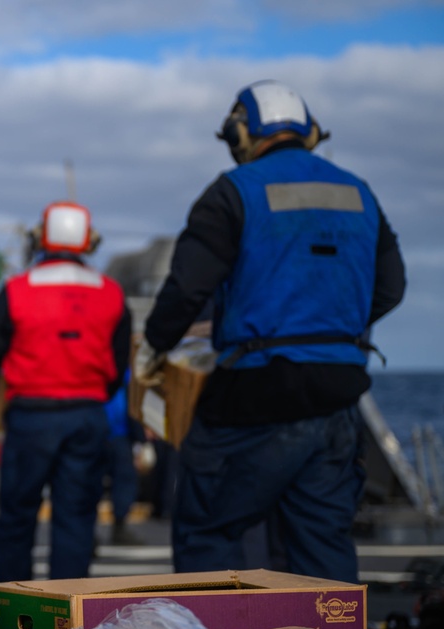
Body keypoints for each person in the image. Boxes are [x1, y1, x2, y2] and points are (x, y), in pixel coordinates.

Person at [134, 80, 406, 583]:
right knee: (323, 545)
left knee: (207, 535)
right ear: (310, 131)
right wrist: (330, 327)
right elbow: (391, 287)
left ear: (243, 133)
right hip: (337, 398)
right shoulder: (359, 192)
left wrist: (154, 346)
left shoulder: (231, 192)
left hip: (253, 395)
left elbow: (186, 289)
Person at [0, 200, 132, 582]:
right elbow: (119, 363)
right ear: (89, 241)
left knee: (16, 516)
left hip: (30, 416)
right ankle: (68, 611)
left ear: (41, 237)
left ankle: (13, 601)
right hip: (87, 414)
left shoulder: (17, 290)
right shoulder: (111, 293)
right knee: (76, 518)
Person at [103, 371, 143, 546]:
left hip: (116, 433)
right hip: (105, 432)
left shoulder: (126, 373)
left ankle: (119, 526)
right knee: (121, 481)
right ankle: (91, 534)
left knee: (124, 481)